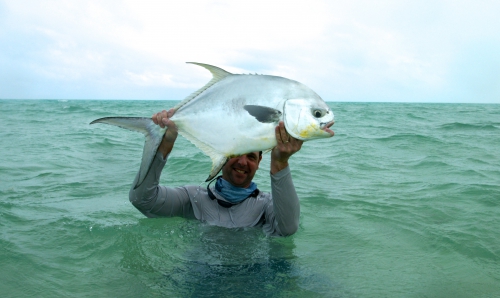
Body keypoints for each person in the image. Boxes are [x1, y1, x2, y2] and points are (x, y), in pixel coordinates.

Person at [129, 108, 305, 236]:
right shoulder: (193, 198)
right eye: (236, 153)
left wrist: (280, 162)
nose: (242, 162)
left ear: (259, 162)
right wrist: (164, 145)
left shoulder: (266, 205)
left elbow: (288, 229)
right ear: (223, 154)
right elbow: (142, 199)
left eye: (251, 156)